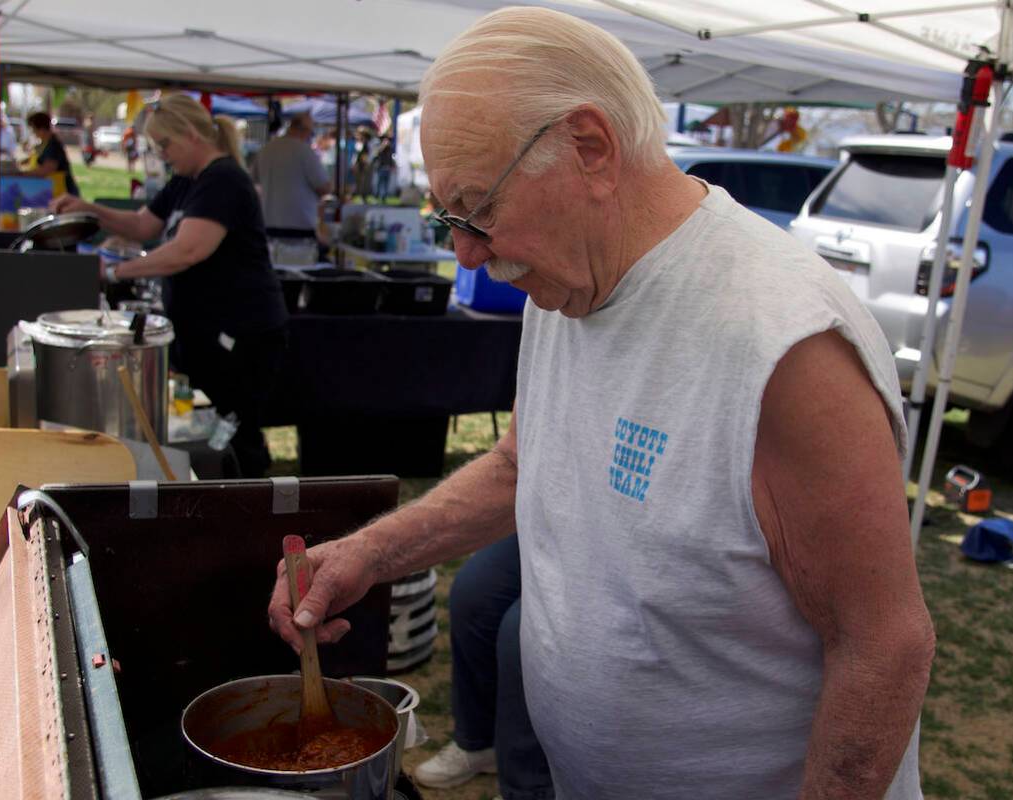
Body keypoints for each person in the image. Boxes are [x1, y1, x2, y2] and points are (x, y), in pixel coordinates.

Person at [268, 8, 935, 800]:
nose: (466, 253)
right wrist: (367, 557)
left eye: (477, 210)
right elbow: (523, 465)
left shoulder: (783, 343)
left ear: (589, 148)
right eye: (449, 219)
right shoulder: (565, 284)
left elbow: (882, 644)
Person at [51, 94, 288, 478]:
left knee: (233, 431)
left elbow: (187, 250)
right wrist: (88, 209)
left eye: (165, 145)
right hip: (205, 334)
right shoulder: (185, 182)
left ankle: (249, 502)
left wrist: (115, 272)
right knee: (208, 429)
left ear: (192, 134)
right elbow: (144, 226)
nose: (162, 155)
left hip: (240, 335)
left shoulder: (225, 180)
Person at [413, 535, 554, 800]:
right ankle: (480, 742)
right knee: (475, 591)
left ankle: (530, 789)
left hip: (617, 555)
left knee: (521, 633)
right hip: (553, 528)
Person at [250, 111, 332, 238]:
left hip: (269, 225)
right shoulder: (305, 152)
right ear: (304, 130)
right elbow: (324, 187)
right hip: (298, 228)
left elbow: (254, 180)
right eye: (311, 132)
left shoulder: (266, 150)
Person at [23, 112, 79, 196]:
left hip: (62, 193)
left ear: (42, 128)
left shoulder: (53, 145)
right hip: (49, 191)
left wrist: (22, 175)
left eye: (34, 129)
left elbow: (47, 169)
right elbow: (37, 158)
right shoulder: (43, 144)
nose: (33, 133)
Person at [352, 127, 374, 202]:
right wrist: (354, 163)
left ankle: (364, 196)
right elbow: (355, 155)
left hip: (365, 165)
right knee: (359, 181)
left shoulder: (368, 143)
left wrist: (367, 163)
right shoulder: (358, 144)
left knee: (365, 182)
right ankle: (359, 195)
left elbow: (369, 155)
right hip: (359, 165)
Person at [372, 133, 395, 200]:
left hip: (387, 167)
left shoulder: (389, 149)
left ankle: (384, 197)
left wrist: (392, 165)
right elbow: (376, 154)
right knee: (379, 183)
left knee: (386, 183)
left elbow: (391, 158)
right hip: (380, 167)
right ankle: (376, 196)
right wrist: (383, 146)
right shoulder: (379, 147)